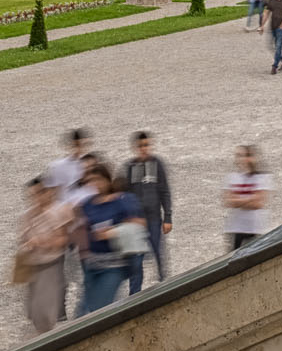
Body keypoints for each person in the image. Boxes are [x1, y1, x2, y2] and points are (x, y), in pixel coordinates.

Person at [75, 168, 143, 315]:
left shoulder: (121, 200)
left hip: (114, 265)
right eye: (91, 181)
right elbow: (82, 227)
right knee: (82, 312)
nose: (95, 184)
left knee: (100, 308)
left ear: (107, 180)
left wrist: (112, 232)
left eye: (98, 180)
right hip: (92, 264)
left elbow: (138, 224)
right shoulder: (87, 204)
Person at [15, 179, 74, 334]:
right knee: (33, 308)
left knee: (44, 309)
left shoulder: (58, 211)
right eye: (32, 195)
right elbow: (22, 237)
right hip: (33, 264)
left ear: (48, 192)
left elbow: (64, 239)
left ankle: (45, 338)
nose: (36, 198)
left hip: (51, 263)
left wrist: (42, 242)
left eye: (39, 193)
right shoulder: (29, 214)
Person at [120, 132, 173, 281]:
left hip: (154, 218)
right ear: (135, 147)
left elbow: (164, 191)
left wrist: (168, 217)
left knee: (158, 253)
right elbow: (126, 193)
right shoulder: (130, 167)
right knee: (136, 257)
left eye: (146, 145)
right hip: (137, 221)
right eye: (141, 146)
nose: (144, 149)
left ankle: (163, 281)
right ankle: (135, 290)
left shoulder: (157, 164)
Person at [221, 147, 271, 251]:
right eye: (239, 156)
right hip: (236, 229)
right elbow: (229, 201)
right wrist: (250, 199)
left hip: (255, 229)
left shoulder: (262, 178)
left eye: (246, 156)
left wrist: (239, 201)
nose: (243, 159)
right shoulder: (232, 177)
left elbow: (258, 204)